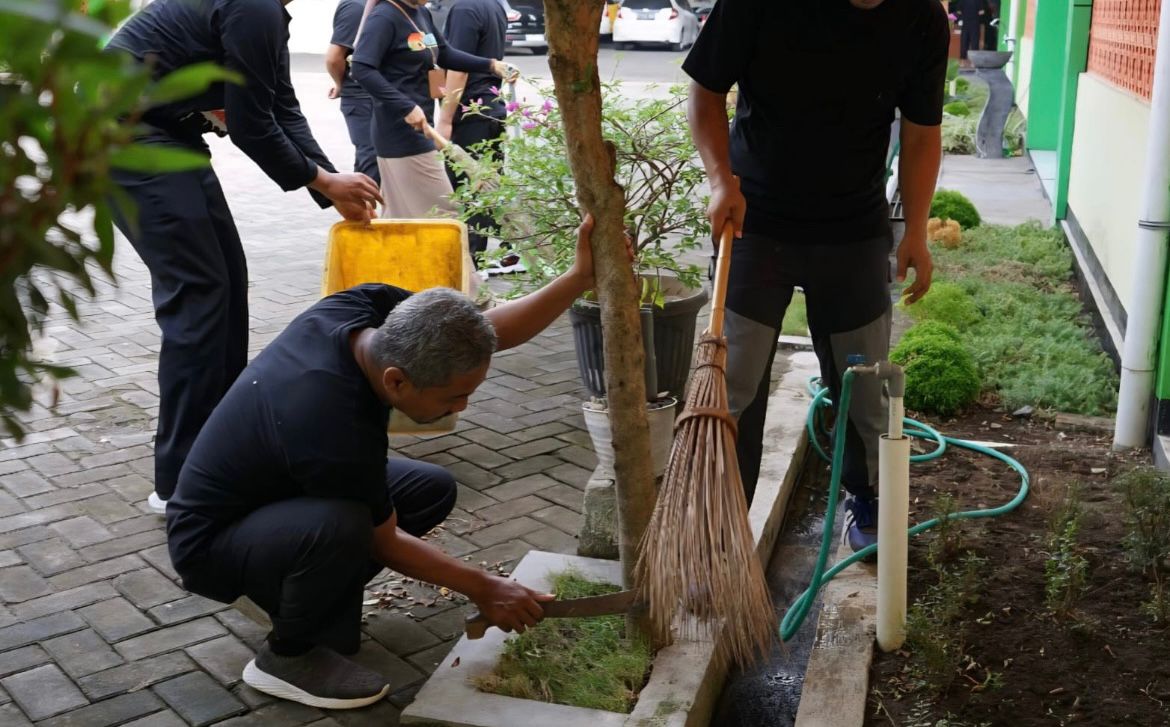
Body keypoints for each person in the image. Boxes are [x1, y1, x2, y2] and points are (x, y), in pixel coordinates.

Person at [166, 216, 612, 709]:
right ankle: (287, 654)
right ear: (397, 381)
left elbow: (485, 333)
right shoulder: (331, 424)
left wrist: (579, 277)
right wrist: (485, 587)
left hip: (279, 492)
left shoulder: (368, 310)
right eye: (453, 396)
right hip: (212, 544)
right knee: (346, 523)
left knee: (428, 488)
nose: (462, 406)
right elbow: (384, 540)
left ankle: (307, 599)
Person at [685, 0, 946, 555]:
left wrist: (916, 231)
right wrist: (720, 180)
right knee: (733, 384)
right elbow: (705, 91)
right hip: (755, 224)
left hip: (854, 232)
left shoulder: (920, 17)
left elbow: (922, 132)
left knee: (863, 383)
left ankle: (866, 495)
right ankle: (720, 521)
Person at [106, 0, 383, 516]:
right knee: (199, 299)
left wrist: (329, 188)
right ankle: (180, 484)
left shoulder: (265, 13)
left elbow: (280, 105)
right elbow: (252, 125)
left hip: (168, 135)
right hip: (122, 136)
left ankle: (220, 456)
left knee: (227, 286)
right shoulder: (254, 6)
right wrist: (325, 181)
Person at [350, 0, 514, 219]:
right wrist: (405, 107)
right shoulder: (384, 17)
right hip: (400, 134)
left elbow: (444, 53)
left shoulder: (421, 14)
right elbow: (361, 68)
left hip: (421, 128)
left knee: (405, 218)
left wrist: (491, 65)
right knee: (445, 216)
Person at [435, 0, 522, 273]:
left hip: (471, 110)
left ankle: (471, 263)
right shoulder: (493, 5)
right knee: (486, 186)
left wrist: (445, 118)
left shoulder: (464, 9)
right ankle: (494, 254)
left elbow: (458, 69)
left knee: (467, 187)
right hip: (491, 107)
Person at [327, 0, 381, 185]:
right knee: (371, 159)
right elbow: (334, 58)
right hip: (362, 98)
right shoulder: (356, 7)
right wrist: (340, 83)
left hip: (392, 96)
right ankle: (365, 202)